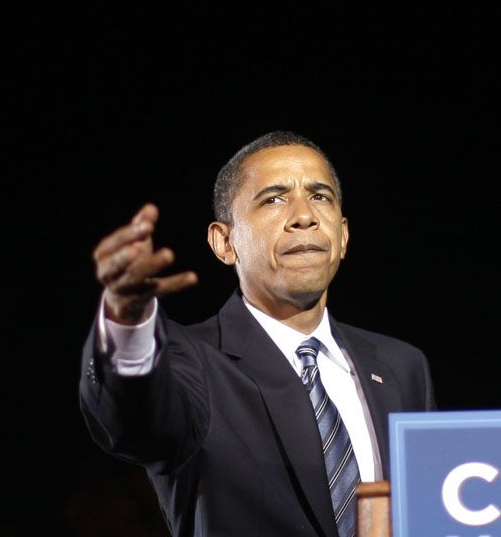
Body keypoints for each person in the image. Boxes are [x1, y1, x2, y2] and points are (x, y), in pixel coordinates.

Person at [79, 130, 436, 537]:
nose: (305, 215)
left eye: (320, 196)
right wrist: (126, 323)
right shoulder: (190, 359)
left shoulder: (402, 367)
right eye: (274, 199)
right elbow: (133, 423)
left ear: (343, 236)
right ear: (224, 242)